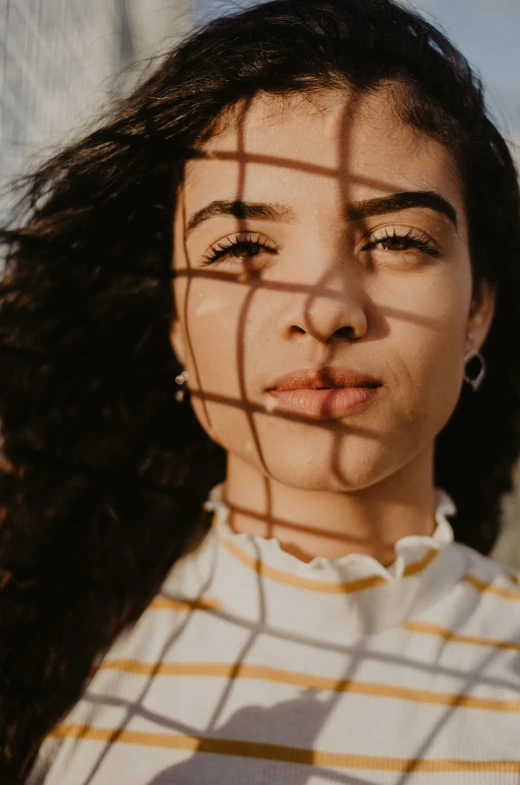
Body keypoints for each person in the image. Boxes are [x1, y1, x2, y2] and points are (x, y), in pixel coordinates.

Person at [1, 0, 520, 782]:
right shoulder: (40, 650)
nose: (323, 310)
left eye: (397, 240)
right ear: (175, 317)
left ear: (477, 308)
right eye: (241, 245)